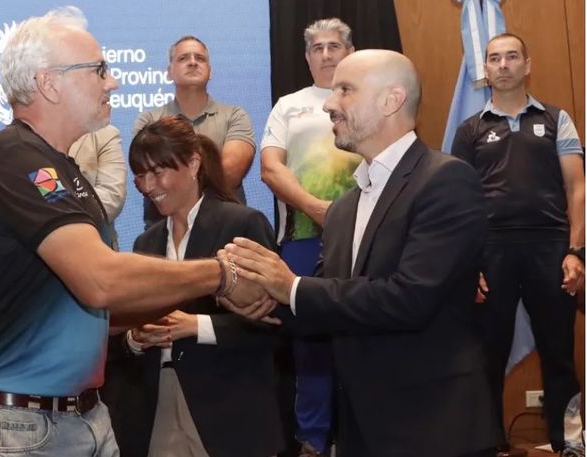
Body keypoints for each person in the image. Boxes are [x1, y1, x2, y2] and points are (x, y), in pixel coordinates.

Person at [0, 8, 265, 457]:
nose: (112, 82)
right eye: (98, 70)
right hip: (18, 426)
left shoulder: (62, 168)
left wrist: (178, 312)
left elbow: (97, 307)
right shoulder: (16, 157)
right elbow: (100, 281)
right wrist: (222, 274)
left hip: (77, 417)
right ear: (49, 83)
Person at [220, 50, 502, 457]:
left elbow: (410, 299)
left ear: (391, 100)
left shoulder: (446, 180)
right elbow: (326, 308)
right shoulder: (344, 208)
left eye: (345, 90)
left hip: (434, 428)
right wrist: (256, 299)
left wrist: (291, 286)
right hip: (359, 431)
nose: (329, 105)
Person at [117, 116, 283, 457]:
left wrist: (196, 326)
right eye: (140, 176)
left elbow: (275, 324)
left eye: (157, 172)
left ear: (193, 164)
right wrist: (135, 339)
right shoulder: (145, 243)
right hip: (159, 406)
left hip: (231, 408)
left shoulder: (242, 225)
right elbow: (127, 332)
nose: (148, 186)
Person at [451, 32, 584, 453]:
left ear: (528, 65)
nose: (503, 65)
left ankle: (569, 443)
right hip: (490, 252)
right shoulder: (470, 130)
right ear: (485, 69)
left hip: (551, 248)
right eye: (494, 58)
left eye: (512, 57)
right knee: (487, 355)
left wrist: (576, 251)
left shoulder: (556, 118)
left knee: (559, 354)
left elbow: (577, 188)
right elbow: (457, 201)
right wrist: (467, 263)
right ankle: (489, 444)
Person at [260, 17, 358, 457]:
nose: (325, 54)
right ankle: (313, 441)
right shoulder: (289, 105)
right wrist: (318, 210)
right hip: (302, 238)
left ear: (349, 52)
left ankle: (361, 436)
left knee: (364, 336)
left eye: (333, 46)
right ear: (306, 57)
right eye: (317, 48)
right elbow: (271, 168)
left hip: (365, 238)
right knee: (310, 345)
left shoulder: (368, 98)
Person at [134, 35, 255, 227]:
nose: (192, 62)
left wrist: (175, 181)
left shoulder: (235, 115)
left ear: (210, 71)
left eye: (200, 58)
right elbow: (150, 177)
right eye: (183, 58)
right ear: (169, 72)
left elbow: (230, 173)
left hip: (225, 228)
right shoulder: (149, 120)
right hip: (163, 229)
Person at [68, 124, 126, 249]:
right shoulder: (29, 138)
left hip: (98, 245)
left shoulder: (104, 134)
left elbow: (112, 197)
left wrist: (58, 209)